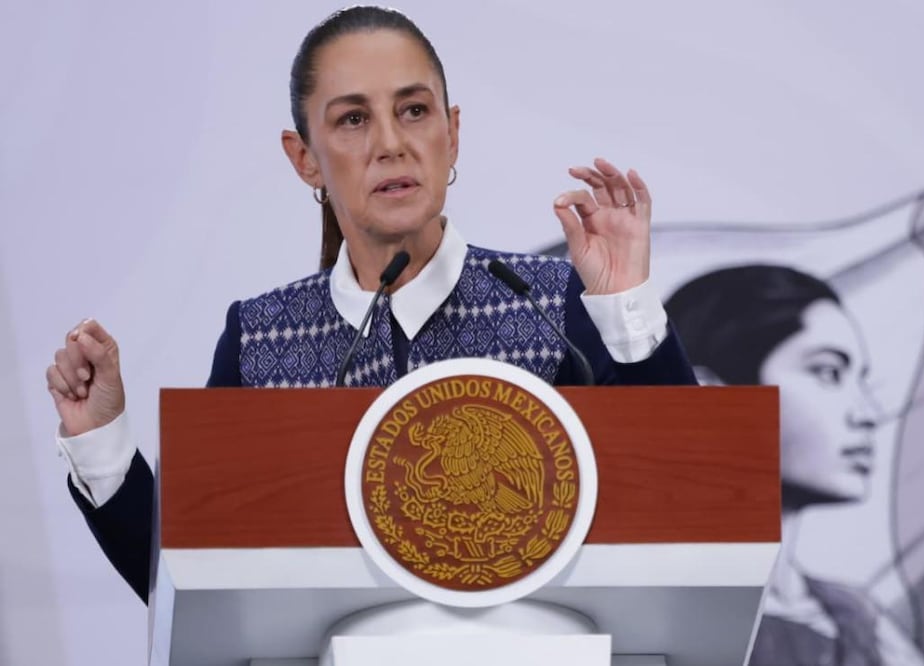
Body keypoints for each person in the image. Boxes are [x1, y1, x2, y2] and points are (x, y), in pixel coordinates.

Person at [45, 6, 697, 604]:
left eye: (413, 110)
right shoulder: (259, 341)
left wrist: (626, 306)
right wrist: (100, 438)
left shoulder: (554, 306)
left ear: (452, 133)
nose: (391, 142)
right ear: (304, 158)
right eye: (353, 119)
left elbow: (686, 506)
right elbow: (194, 584)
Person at [666, 265, 924, 666]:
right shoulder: (642, 615)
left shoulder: (862, 624)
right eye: (828, 373)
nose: (868, 414)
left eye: (860, 380)